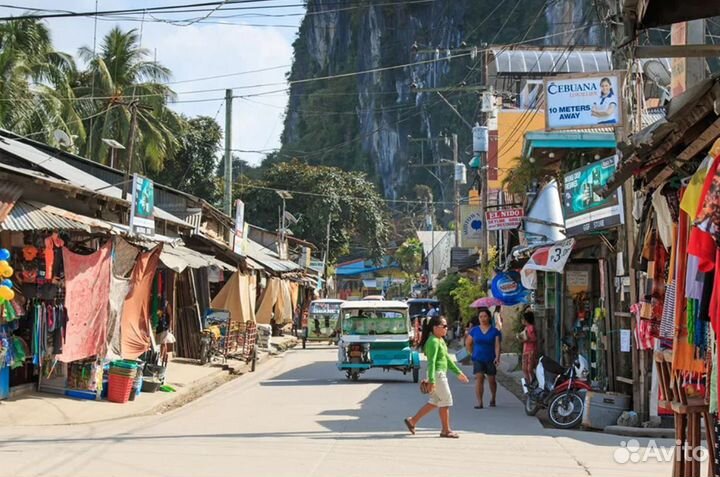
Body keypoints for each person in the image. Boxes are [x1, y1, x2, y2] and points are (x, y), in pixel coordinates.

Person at [405, 315, 469, 438]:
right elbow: (431, 362)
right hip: (437, 375)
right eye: (444, 326)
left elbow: (447, 359)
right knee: (445, 402)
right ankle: (446, 430)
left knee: (435, 402)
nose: (446, 328)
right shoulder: (433, 341)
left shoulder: (440, 340)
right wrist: (432, 380)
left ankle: (412, 421)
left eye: (447, 326)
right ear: (435, 328)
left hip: (439, 374)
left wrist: (458, 373)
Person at [465, 308, 501, 409]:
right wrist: (472, 353)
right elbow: (468, 343)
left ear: (489, 317)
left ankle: (493, 397)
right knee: (479, 378)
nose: (483, 318)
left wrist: (497, 357)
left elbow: (497, 345)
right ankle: (480, 402)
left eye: (485, 316)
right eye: (481, 317)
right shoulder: (474, 330)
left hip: (490, 358)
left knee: (491, 380)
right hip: (478, 358)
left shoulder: (495, 331)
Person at [517, 310, 538, 383]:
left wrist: (527, 339)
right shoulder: (525, 328)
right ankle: (528, 382)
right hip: (525, 349)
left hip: (531, 350)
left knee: (530, 368)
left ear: (526, 319)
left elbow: (534, 339)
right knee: (524, 368)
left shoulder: (531, 328)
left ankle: (533, 380)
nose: (522, 320)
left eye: (523, 319)